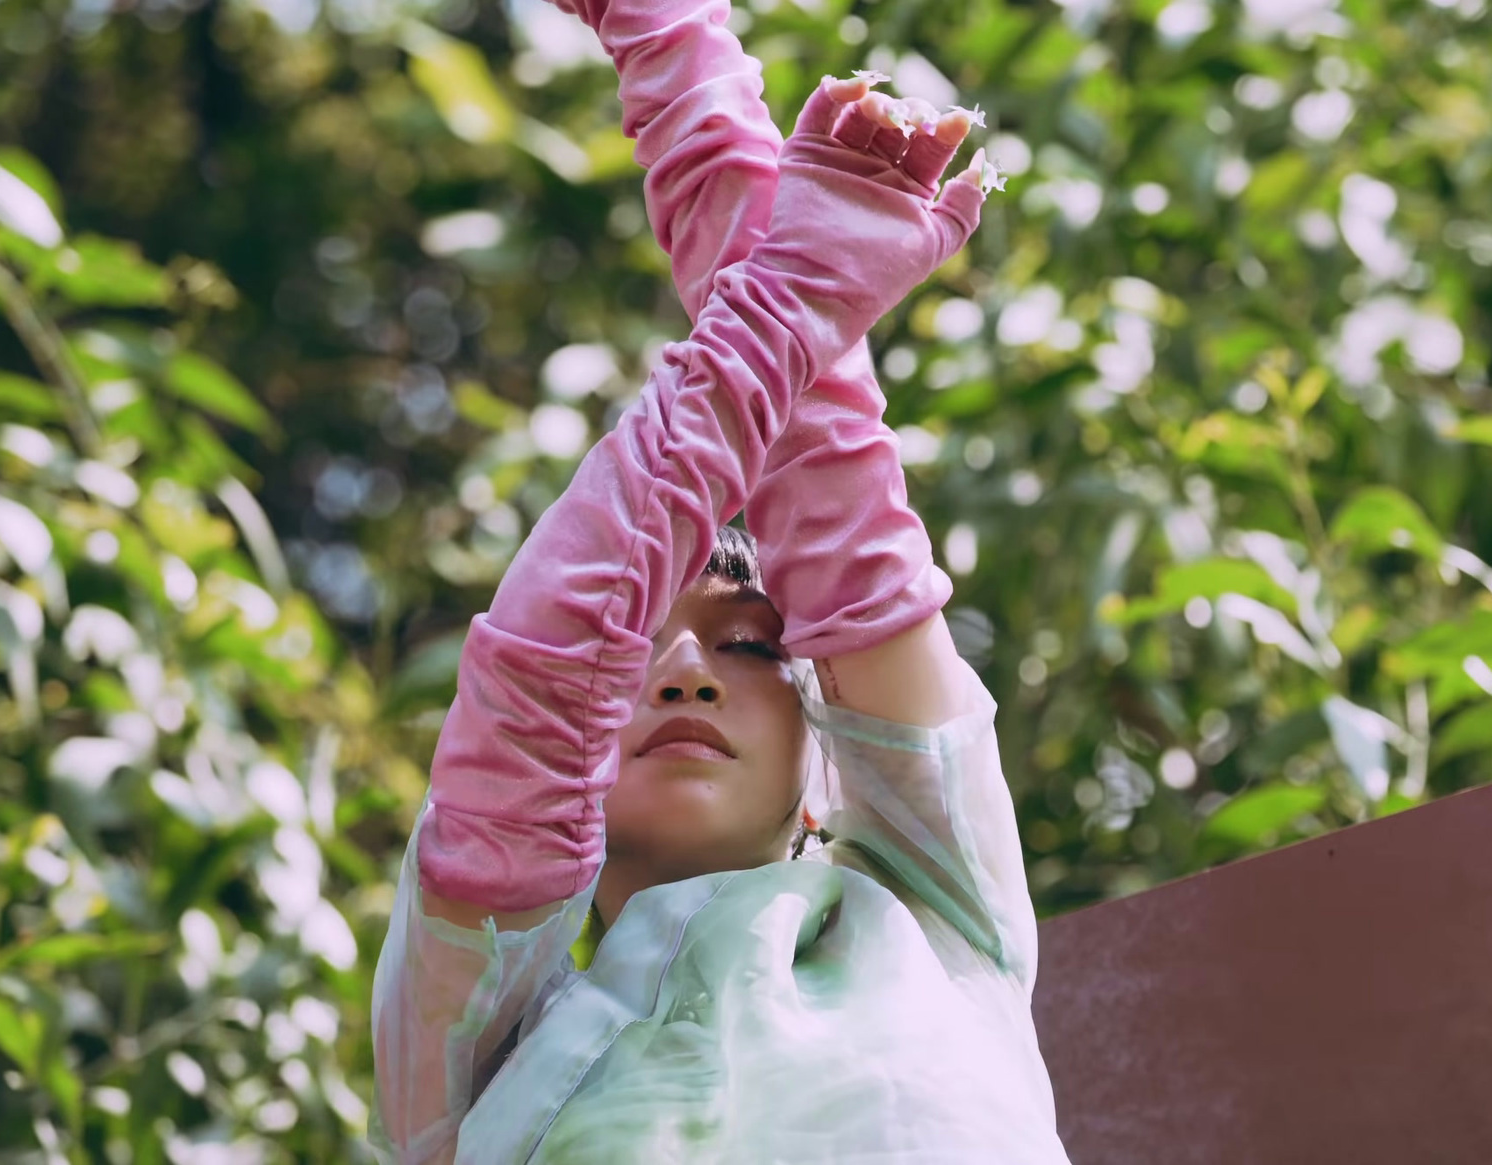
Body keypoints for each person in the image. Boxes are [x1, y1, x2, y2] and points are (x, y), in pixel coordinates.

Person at [368, 0, 1068, 1155]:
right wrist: (796, 283)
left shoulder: (937, 910)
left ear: (824, 778)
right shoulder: (479, 1046)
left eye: (749, 646)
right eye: (636, 659)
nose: (684, 670)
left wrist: (670, 37)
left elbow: (831, 477)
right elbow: (537, 694)